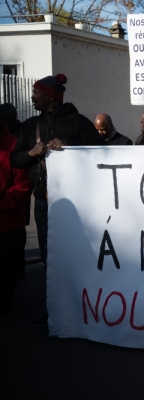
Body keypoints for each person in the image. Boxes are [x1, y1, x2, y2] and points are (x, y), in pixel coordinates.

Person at [10, 74, 105, 326]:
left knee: (78, 254)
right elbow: (15, 159)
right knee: (48, 258)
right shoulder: (30, 126)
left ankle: (83, 305)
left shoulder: (78, 122)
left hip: (77, 205)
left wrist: (70, 145)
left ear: (51, 97)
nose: (32, 97)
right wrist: (31, 152)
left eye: (36, 93)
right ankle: (55, 307)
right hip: (44, 203)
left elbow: (101, 153)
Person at [0, 104, 31, 314]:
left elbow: (22, 188)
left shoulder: (14, 147)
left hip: (8, 225)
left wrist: (2, 204)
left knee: (6, 275)